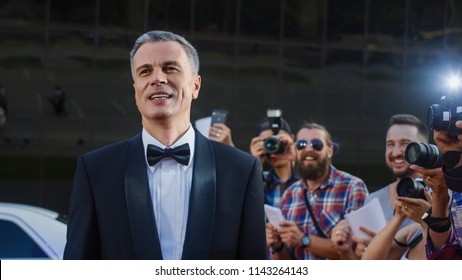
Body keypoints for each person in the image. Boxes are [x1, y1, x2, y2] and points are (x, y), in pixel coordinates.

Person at [64, 30, 267, 260]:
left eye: (170, 68)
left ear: (195, 85)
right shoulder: (96, 170)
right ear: (135, 90)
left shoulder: (241, 170)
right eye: (145, 71)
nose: (157, 79)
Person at [331, 113, 429, 259]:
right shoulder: (372, 200)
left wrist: (386, 240)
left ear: (424, 148)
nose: (396, 152)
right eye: (390, 144)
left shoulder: (440, 195)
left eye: (405, 144)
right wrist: (348, 250)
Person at [266, 122, 368, 260]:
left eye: (317, 144)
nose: (308, 149)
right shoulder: (289, 194)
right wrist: (278, 246)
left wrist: (304, 239)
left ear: (330, 151)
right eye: (301, 144)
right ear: (295, 151)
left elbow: (355, 252)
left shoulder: (353, 187)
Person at [412, 120, 462, 259]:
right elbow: (443, 255)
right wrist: (440, 194)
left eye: (405, 143)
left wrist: (424, 220)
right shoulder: (452, 177)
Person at [249, 117, 299, 207]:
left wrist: (297, 154)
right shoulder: (259, 181)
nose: (273, 147)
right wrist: (255, 163)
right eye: (267, 142)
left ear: (292, 139)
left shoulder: (309, 178)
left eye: (278, 141)